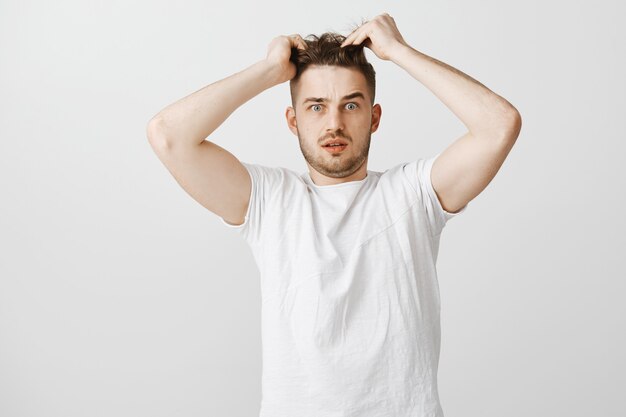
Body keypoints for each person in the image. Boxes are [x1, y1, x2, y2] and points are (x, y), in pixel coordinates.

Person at [147, 12, 521, 417]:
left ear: (374, 118)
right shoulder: (270, 201)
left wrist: (400, 52)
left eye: (351, 105)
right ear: (293, 121)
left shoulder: (412, 194)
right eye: (316, 107)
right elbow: (168, 135)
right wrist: (268, 70)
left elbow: (499, 125)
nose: (334, 124)